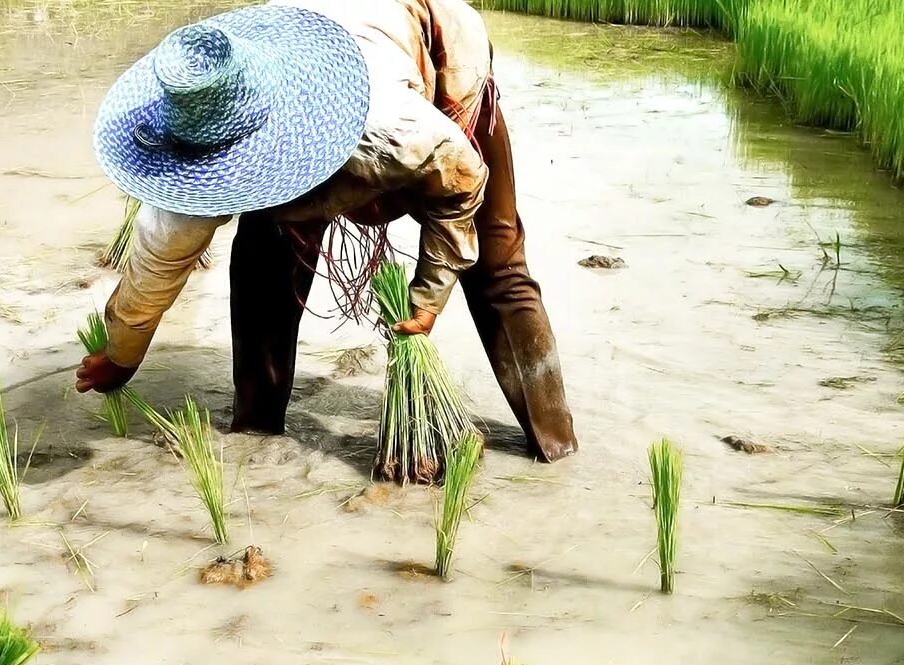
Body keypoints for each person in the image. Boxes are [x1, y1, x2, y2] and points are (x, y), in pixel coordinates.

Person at [77, 0, 577, 463]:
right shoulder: (195, 163)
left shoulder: (392, 126)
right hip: (321, 62)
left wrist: (426, 299)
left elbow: (462, 180)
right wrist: (120, 358)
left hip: (437, 67)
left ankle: (553, 443)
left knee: (498, 267)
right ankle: (255, 433)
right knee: (262, 262)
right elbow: (153, 272)